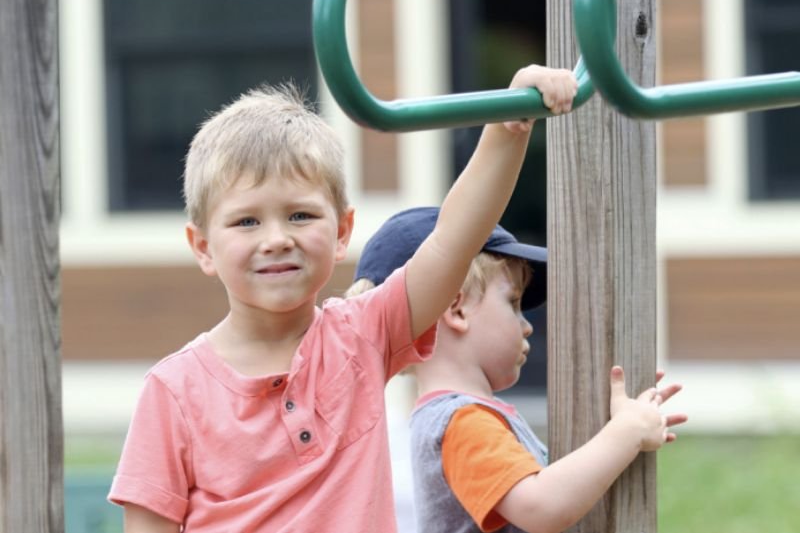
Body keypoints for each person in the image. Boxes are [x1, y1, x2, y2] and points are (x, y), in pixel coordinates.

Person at [107, 64, 578, 533]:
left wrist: (508, 128)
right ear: (204, 247)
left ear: (342, 232)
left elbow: (454, 241)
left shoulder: (364, 335)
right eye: (247, 222)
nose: (276, 239)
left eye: (300, 215)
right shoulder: (173, 391)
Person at [347, 206, 688, 533]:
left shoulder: (460, 417)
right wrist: (626, 433)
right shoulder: (461, 422)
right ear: (457, 309)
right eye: (513, 303)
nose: (526, 326)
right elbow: (542, 507)